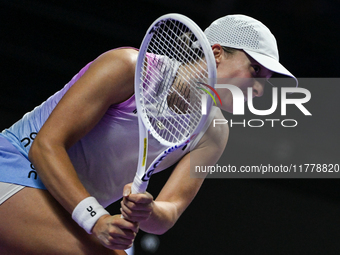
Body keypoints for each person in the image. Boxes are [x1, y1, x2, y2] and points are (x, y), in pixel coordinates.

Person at [0, 14, 297, 254]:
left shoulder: (214, 132)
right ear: (216, 53)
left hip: (72, 206)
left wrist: (149, 210)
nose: (260, 88)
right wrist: (96, 219)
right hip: (17, 168)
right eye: (255, 70)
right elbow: (46, 147)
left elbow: (166, 215)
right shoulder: (129, 69)